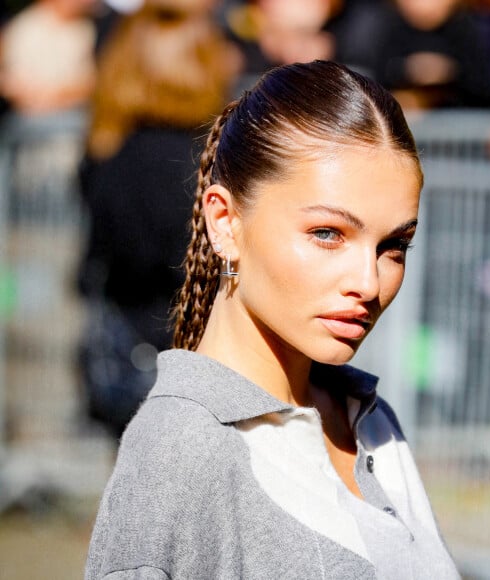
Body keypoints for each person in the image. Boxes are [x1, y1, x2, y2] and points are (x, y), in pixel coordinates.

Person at [85, 60, 460, 579]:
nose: (370, 284)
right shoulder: (178, 455)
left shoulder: (371, 420)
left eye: (394, 246)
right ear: (225, 223)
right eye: (328, 233)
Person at [77, 0, 240, 437]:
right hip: (191, 346)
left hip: (131, 341)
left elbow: (100, 257)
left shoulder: (107, 150)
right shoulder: (208, 158)